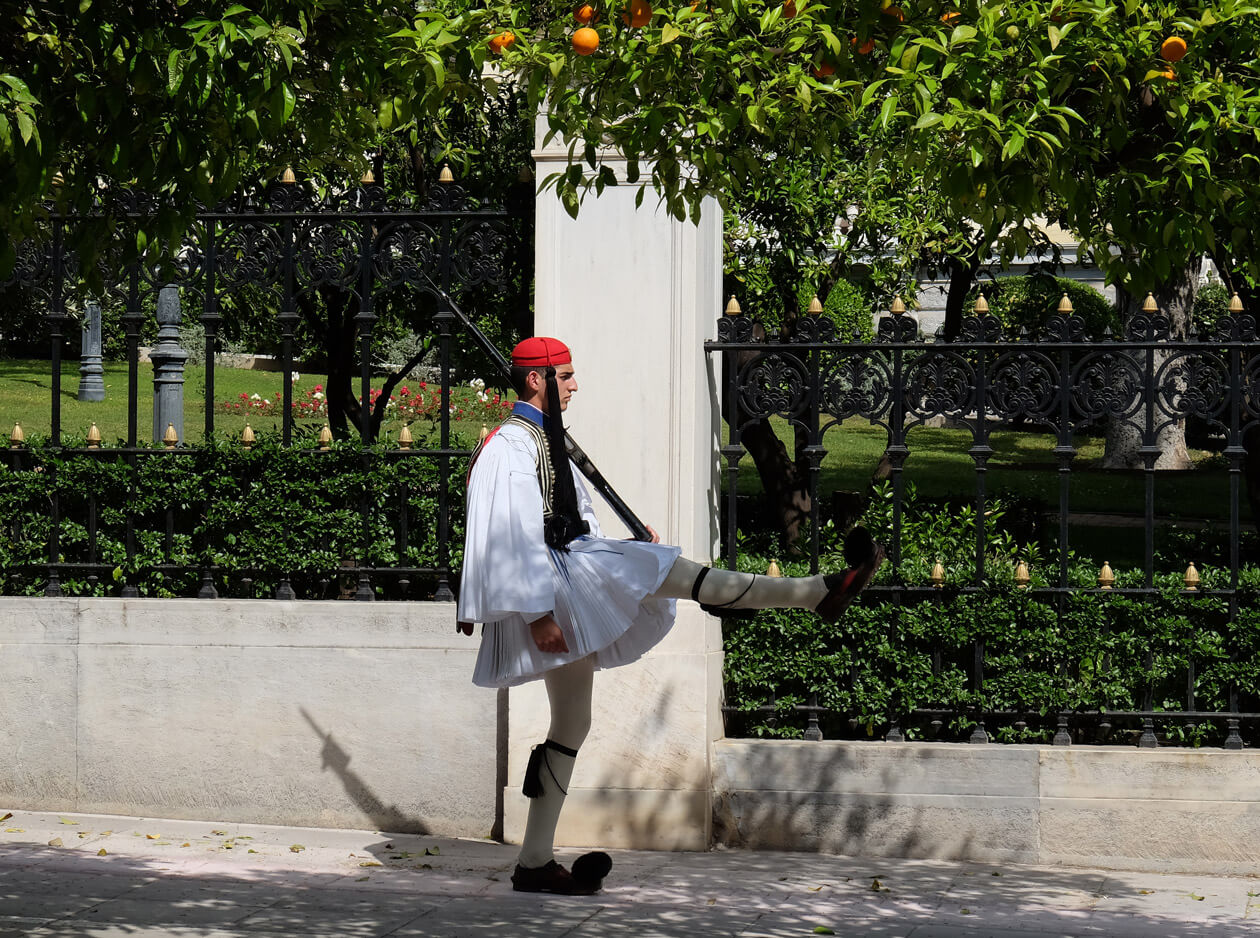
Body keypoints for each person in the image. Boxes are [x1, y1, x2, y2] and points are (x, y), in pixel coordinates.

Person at [456, 336, 883, 896]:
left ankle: (534, 864)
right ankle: (814, 592)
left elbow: (570, 516)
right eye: (565, 375)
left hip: (564, 578)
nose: (574, 384)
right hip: (548, 590)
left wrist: (623, 546)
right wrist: (535, 611)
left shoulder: (542, 438)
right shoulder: (510, 445)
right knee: (673, 572)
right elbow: (502, 533)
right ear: (536, 380)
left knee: (572, 722)